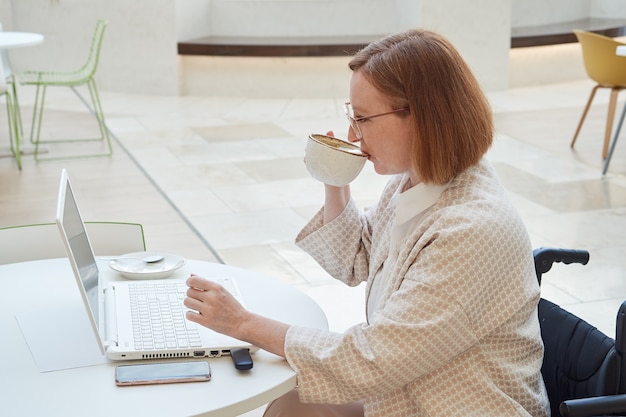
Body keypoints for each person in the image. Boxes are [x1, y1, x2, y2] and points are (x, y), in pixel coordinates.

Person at [184, 29, 550, 417]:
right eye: (351, 117)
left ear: (421, 116)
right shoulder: (414, 181)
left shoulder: (472, 230)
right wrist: (335, 182)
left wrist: (244, 324)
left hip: (461, 406)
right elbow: (357, 258)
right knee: (290, 407)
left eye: (363, 119)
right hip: (412, 391)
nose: (353, 135)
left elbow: (373, 359)